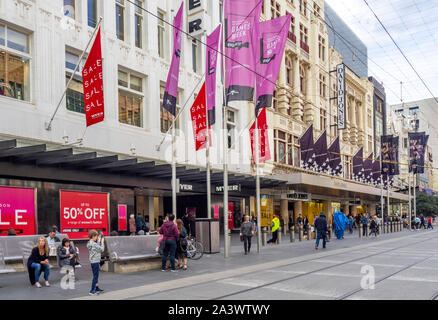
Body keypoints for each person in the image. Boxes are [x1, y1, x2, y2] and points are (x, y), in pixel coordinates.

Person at [87, 230, 105, 295]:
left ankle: (96, 288)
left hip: (92, 261)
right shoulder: (94, 244)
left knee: (95, 275)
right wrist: (102, 242)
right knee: (95, 276)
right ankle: (92, 291)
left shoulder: (89, 243)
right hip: (96, 261)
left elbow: (96, 247)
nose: (97, 237)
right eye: (96, 236)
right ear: (93, 236)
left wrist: (99, 241)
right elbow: (101, 249)